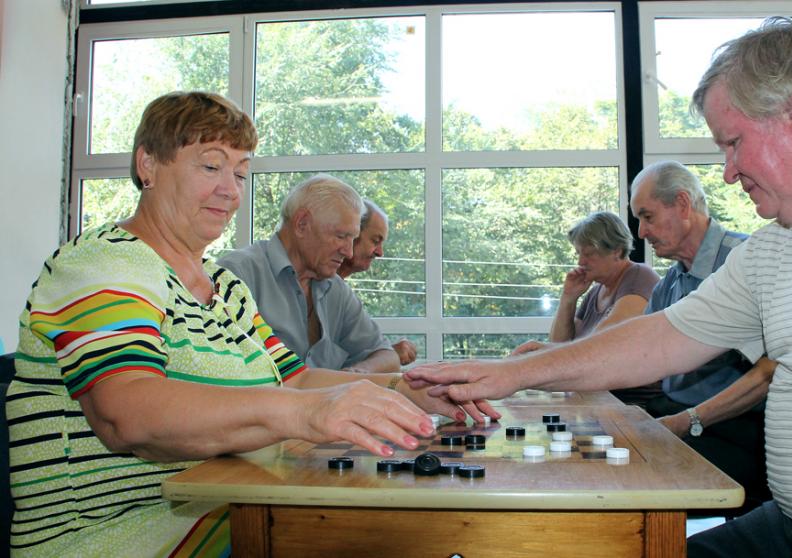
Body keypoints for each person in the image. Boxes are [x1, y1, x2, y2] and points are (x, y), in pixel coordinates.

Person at [407, 18, 792, 558]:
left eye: (733, 143)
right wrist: (508, 375)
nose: (730, 172)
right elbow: (659, 338)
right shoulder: (777, 245)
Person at [7, 91, 496, 557]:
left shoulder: (222, 284)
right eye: (211, 165)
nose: (230, 190)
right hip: (121, 536)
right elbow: (128, 414)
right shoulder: (102, 264)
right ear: (148, 165)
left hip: (220, 508)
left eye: (241, 173)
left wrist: (408, 388)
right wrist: (305, 413)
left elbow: (297, 377)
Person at [629, 160, 775, 510]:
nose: (641, 232)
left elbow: (772, 371)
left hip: (734, 427)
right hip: (677, 415)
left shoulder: (747, 262)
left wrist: (688, 420)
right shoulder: (671, 283)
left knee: (629, 473)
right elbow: (637, 354)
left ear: (682, 205)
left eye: (647, 217)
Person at [218, 176, 405, 373]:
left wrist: (354, 376)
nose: (349, 252)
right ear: (302, 224)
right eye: (341, 236)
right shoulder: (236, 275)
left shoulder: (335, 289)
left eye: (353, 239)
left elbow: (387, 356)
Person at [513, 211, 659, 354]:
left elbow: (604, 344)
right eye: (579, 253)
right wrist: (568, 297)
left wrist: (543, 350)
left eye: (589, 254)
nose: (580, 262)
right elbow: (557, 346)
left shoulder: (639, 277)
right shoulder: (595, 292)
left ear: (617, 251)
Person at [337, 198, 418, 365]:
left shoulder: (340, 293)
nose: (380, 253)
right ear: (351, 234)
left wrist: (386, 354)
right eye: (375, 241)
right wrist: (388, 354)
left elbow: (361, 351)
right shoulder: (312, 283)